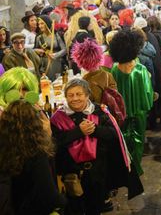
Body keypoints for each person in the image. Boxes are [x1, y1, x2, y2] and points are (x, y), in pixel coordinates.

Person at [51, 79, 143, 214]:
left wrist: (95, 129)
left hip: (97, 173)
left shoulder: (99, 111)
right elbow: (55, 143)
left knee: (95, 209)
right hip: (72, 175)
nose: (75, 98)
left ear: (87, 95)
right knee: (74, 209)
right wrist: (78, 132)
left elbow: (113, 135)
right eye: (70, 95)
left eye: (79, 94)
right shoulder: (58, 118)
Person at [0, 100, 66, 214]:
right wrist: (64, 202)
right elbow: (48, 193)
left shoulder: (4, 147)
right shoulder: (36, 152)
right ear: (34, 123)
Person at [110, 29, 154, 176]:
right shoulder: (141, 70)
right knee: (138, 139)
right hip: (139, 112)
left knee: (123, 138)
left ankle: (125, 166)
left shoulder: (114, 69)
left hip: (120, 113)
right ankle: (136, 168)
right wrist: (147, 106)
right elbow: (148, 93)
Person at [70, 39, 117, 104]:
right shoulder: (108, 75)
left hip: (95, 113)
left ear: (80, 62)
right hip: (110, 111)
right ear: (99, 57)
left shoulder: (85, 81)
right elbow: (115, 95)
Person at [34, 15, 67, 80]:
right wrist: (36, 51)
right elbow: (35, 50)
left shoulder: (57, 35)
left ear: (47, 23)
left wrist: (56, 55)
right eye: (39, 24)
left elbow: (64, 49)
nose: (40, 26)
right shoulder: (39, 38)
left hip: (58, 63)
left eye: (42, 23)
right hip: (45, 65)